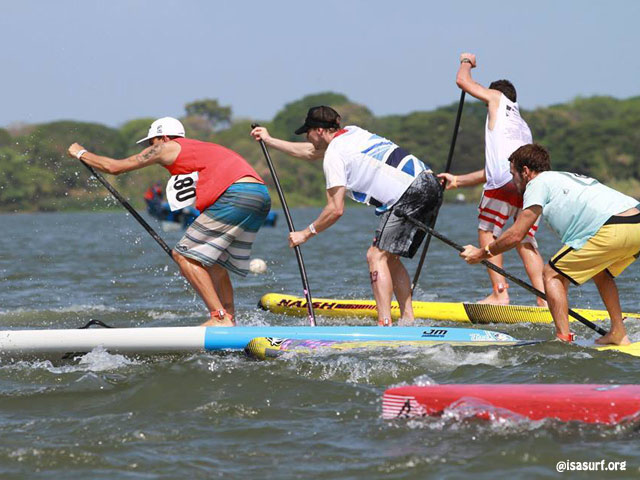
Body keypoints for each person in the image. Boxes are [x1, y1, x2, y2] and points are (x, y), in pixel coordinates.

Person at [68, 117, 271, 326]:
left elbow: (114, 167)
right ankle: (229, 318)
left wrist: (81, 153)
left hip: (237, 194)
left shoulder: (166, 147)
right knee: (215, 263)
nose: (150, 147)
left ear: (163, 138)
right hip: (260, 194)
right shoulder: (199, 148)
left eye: (151, 142)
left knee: (182, 255)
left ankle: (218, 317)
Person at [251, 106, 442, 326]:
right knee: (389, 258)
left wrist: (305, 233)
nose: (307, 137)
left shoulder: (334, 155)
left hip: (408, 193)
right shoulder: (353, 132)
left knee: (375, 256)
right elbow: (310, 152)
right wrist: (269, 140)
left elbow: (335, 209)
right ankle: (408, 319)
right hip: (430, 183)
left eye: (308, 132)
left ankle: (385, 323)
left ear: (320, 131)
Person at [460, 143, 640, 346]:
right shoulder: (559, 177)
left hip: (612, 226)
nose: (513, 180)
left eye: (513, 174)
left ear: (526, 171)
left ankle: (563, 339)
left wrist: (482, 253)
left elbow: (516, 235)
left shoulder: (537, 184)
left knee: (551, 274)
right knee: (601, 273)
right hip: (636, 224)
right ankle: (618, 332)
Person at [438, 52, 546, 306]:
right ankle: (545, 299)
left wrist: (466, 62)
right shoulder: (522, 125)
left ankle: (499, 293)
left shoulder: (498, 98)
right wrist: (458, 181)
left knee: (487, 232)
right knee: (525, 240)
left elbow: (463, 82)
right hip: (527, 186)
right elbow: (499, 169)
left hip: (502, 186)